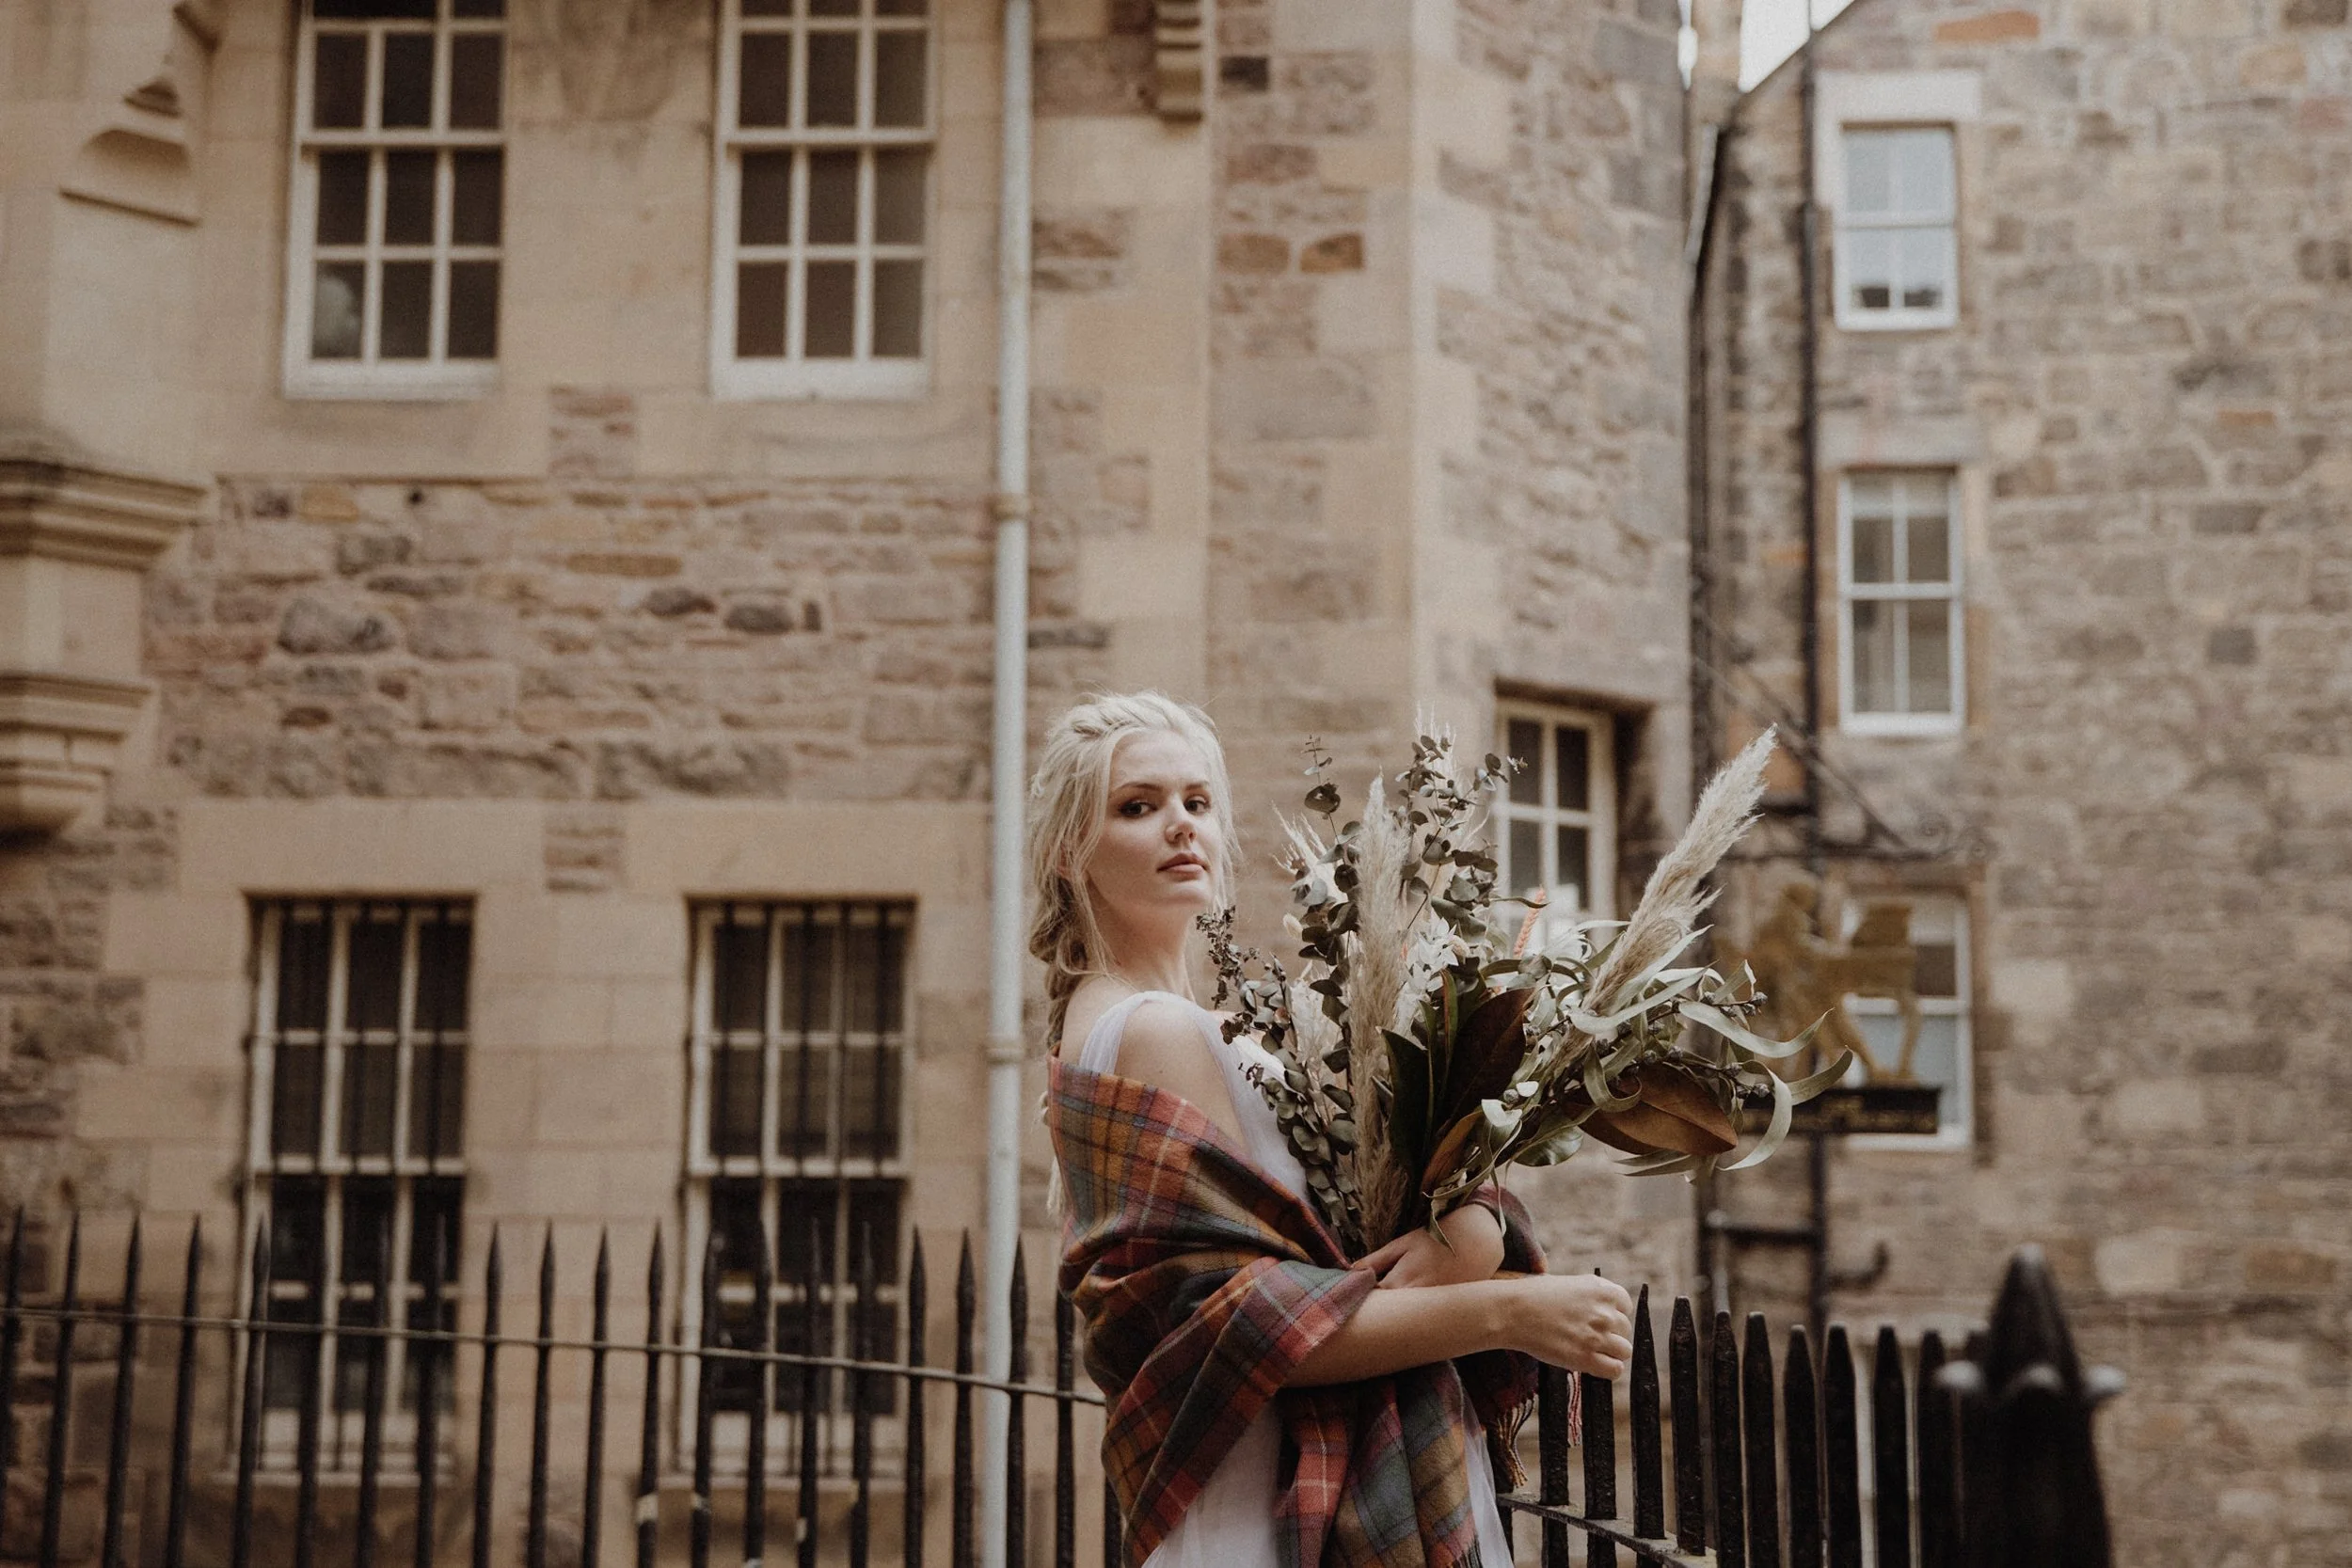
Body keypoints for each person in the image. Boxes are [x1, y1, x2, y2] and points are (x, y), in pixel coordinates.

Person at [1032, 692, 1635, 1568]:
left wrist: (1473, 1221)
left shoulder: (1179, 1020)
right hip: (1268, 1514)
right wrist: (1509, 1309)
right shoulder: (1155, 1028)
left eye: (1197, 803)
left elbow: (1348, 1240)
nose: (1179, 827)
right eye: (1139, 806)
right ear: (1068, 852)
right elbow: (1243, 1324)